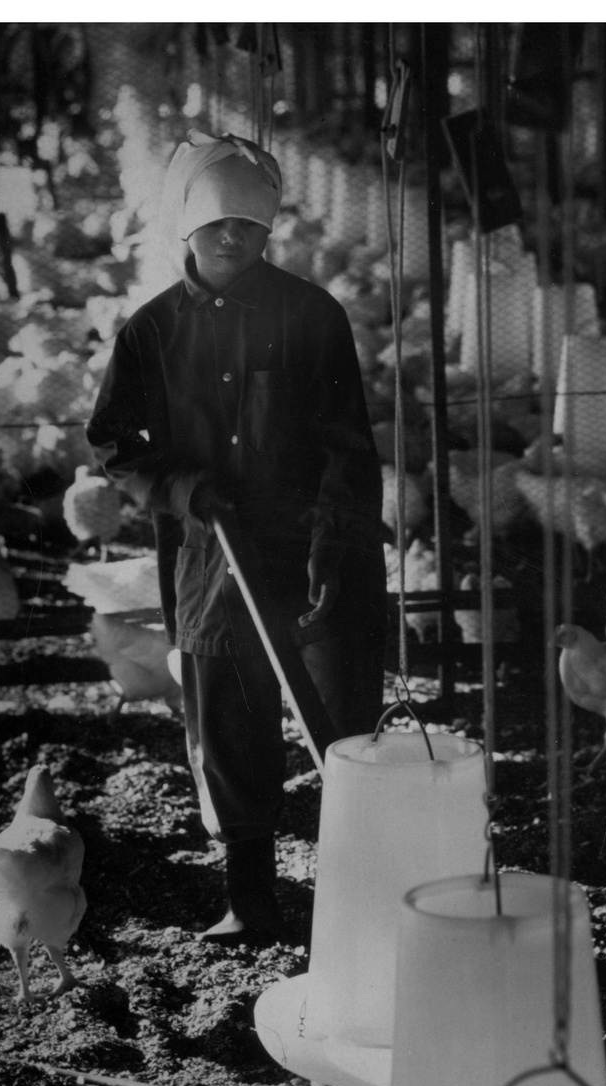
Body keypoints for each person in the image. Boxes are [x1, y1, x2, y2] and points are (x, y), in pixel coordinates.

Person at [87, 131, 386, 942]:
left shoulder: (310, 316)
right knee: (229, 719)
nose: (233, 237)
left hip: (314, 549)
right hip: (212, 556)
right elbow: (115, 443)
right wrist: (183, 487)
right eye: (218, 223)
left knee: (343, 723)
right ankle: (250, 897)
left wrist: (336, 542)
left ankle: (357, 898)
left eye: (250, 226)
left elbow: (348, 446)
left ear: (268, 231)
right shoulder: (150, 332)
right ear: (186, 225)